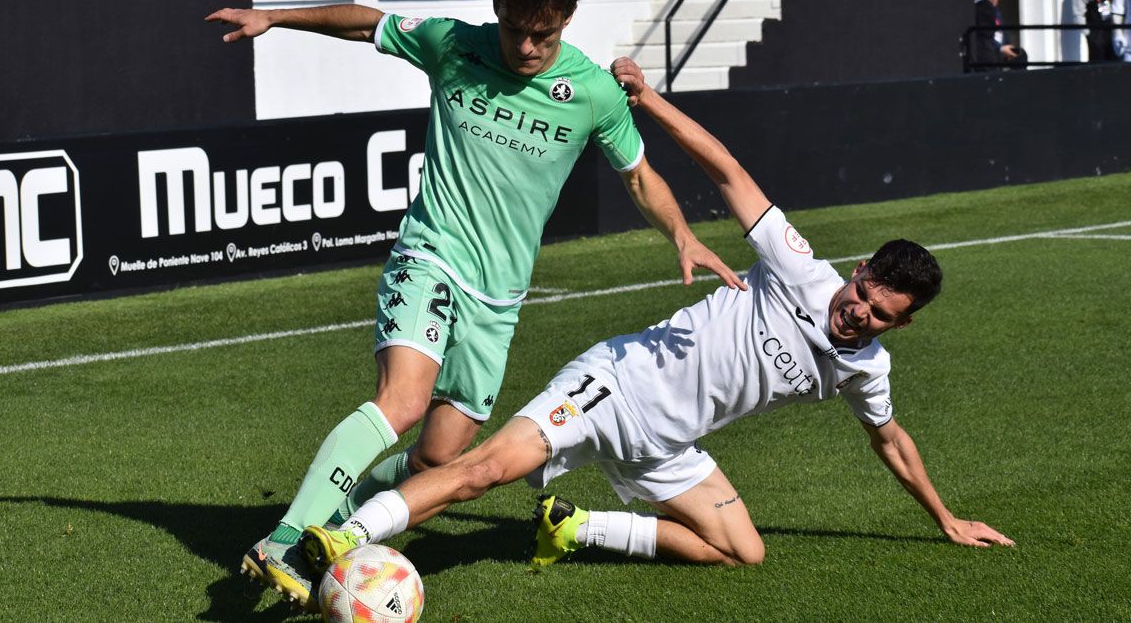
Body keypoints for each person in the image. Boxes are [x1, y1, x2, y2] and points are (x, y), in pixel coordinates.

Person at [298, 57, 1015, 578]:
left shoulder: (867, 367)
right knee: (483, 469)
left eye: (881, 317)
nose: (859, 315)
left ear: (901, 324)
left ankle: (575, 528)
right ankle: (344, 535)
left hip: (671, 444)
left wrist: (945, 517)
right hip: (616, 385)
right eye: (864, 295)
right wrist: (650, 100)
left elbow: (891, 441)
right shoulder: (800, 265)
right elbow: (729, 170)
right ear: (859, 269)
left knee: (744, 550)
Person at [205, 0, 741, 609]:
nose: (525, 45)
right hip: (430, 257)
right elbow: (364, 22)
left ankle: (340, 512)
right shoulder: (453, 44)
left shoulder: (595, 93)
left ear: (568, 19)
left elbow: (638, 175)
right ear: (498, 12)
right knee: (402, 400)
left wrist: (682, 232)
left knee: (438, 460)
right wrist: (276, 18)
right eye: (515, 28)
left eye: (542, 34)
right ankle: (282, 541)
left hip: (499, 302)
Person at [986, 0, 1029, 68]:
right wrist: (1001, 49)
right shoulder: (981, 13)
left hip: (1000, 53)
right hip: (988, 54)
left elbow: (1005, 36)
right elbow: (984, 40)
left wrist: (1010, 49)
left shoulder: (997, 14)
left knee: (1021, 55)